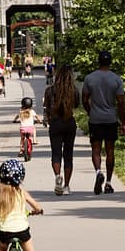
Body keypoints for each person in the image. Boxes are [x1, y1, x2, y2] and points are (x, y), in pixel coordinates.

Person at [79, 49, 125, 195]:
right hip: (111, 119)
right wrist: (123, 121)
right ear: (110, 62)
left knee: (96, 150)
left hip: (96, 119)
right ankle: (108, 183)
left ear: (98, 62)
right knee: (110, 150)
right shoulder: (116, 79)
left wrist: (90, 111)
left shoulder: (90, 78)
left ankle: (99, 172)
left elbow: (84, 99)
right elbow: (121, 102)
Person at [41, 64, 78, 194]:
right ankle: (67, 186)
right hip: (69, 123)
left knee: (56, 153)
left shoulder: (50, 90)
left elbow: (46, 107)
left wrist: (47, 119)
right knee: (68, 155)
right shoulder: (73, 90)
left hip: (55, 124)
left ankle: (57, 177)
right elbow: (77, 104)